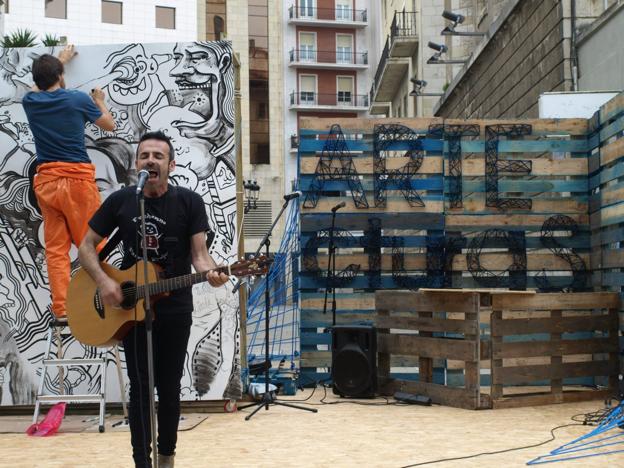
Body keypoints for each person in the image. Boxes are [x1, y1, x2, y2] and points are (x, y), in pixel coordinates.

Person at [78, 131, 229, 468]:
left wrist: (215, 273)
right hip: (131, 310)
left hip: (175, 308)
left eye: (158, 156)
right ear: (137, 164)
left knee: (170, 387)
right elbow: (85, 247)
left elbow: (200, 258)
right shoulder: (121, 201)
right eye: (144, 155)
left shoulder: (189, 202)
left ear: (171, 165)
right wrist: (103, 281)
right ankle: (140, 462)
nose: (150, 160)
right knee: (140, 388)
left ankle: (166, 457)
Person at [22, 44, 115, 318]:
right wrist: (99, 100)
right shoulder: (78, 100)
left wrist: (58, 64)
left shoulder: (31, 102)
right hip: (76, 182)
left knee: (56, 250)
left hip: (47, 183)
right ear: (61, 76)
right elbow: (109, 125)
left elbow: (36, 89)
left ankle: (62, 309)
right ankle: (105, 297)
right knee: (94, 243)